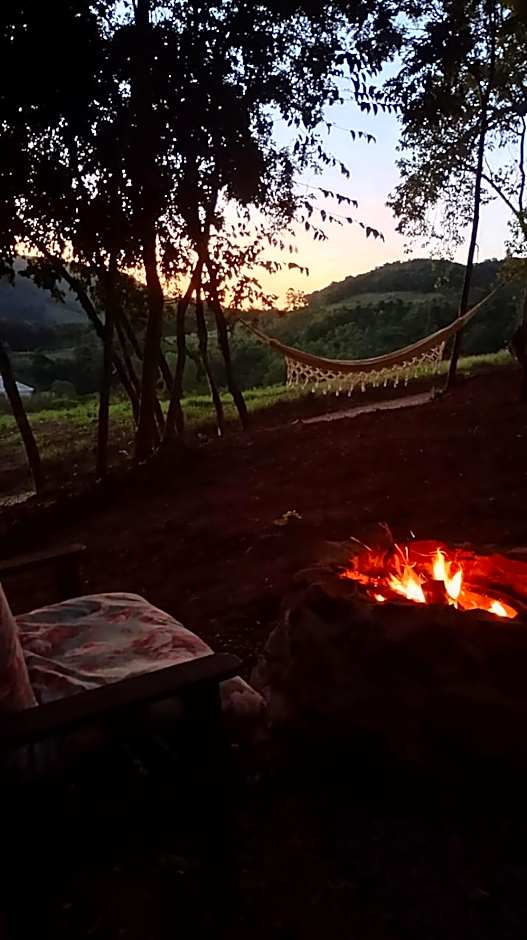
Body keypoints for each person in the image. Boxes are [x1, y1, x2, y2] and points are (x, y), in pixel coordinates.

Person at [509, 321, 527, 401]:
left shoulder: (523, 329)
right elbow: (513, 344)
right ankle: (523, 396)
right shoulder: (523, 329)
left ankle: (523, 396)